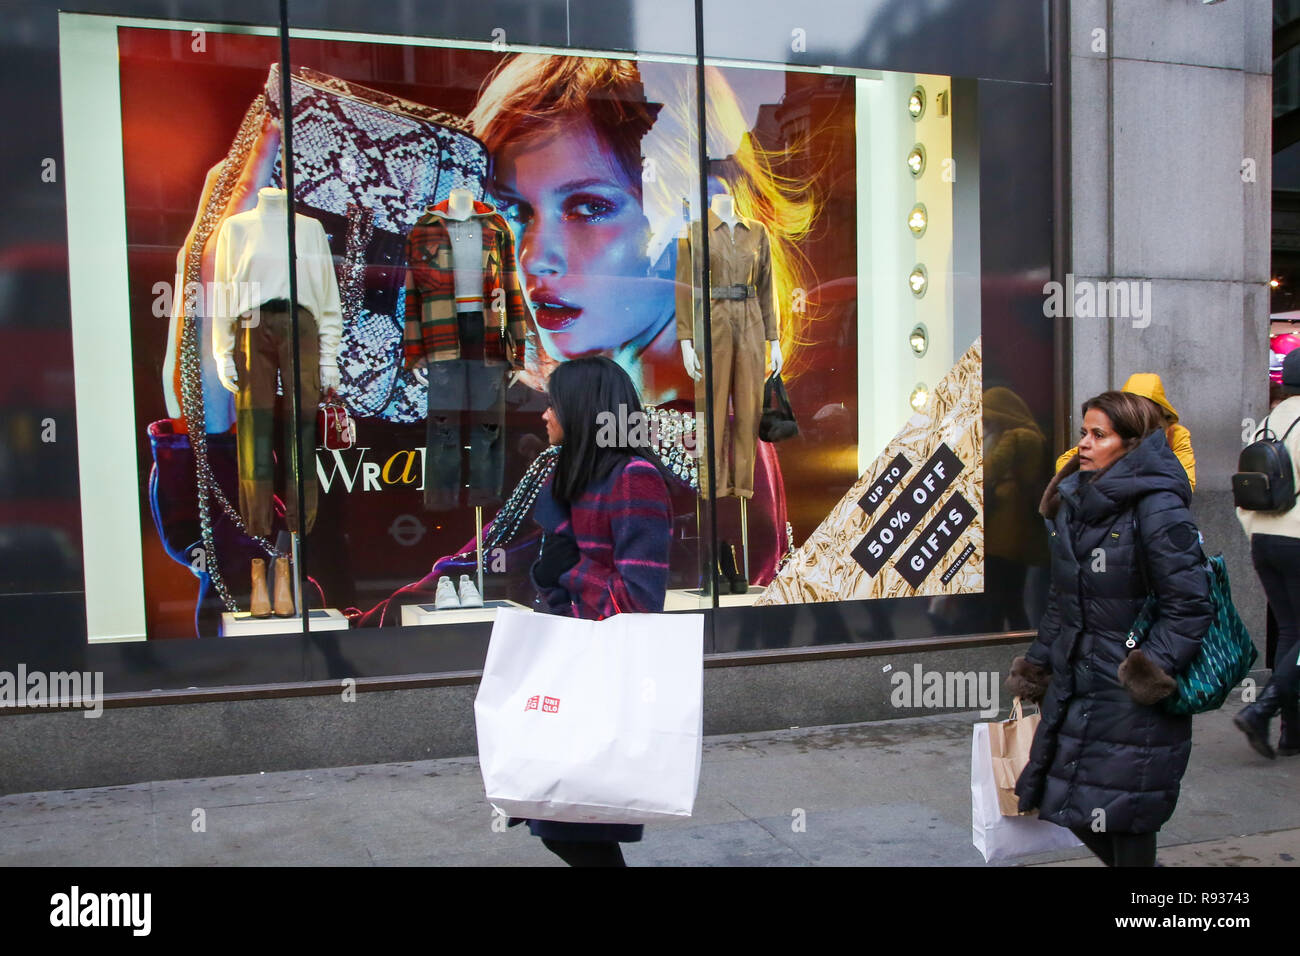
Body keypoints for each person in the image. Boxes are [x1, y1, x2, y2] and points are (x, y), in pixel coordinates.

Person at [1007, 391, 1211, 867]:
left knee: (1127, 811)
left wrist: (1148, 668)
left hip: (1129, 686)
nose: (1085, 443)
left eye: (1099, 434)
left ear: (1132, 442)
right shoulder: (1074, 500)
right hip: (1078, 679)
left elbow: (1189, 604)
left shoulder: (1158, 505)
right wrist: (1038, 663)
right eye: (1083, 432)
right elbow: (1062, 598)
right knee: (1064, 798)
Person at [522, 356, 674, 866]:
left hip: (609, 678)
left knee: (574, 826)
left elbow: (639, 600)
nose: (545, 416)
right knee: (564, 821)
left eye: (553, 404)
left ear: (583, 410)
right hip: (573, 671)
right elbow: (559, 575)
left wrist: (570, 570)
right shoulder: (575, 475)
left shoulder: (634, 478)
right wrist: (556, 574)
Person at [1233, 349, 1300, 758]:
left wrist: (1257, 530)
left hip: (1264, 540)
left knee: (1291, 632)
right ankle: (1263, 709)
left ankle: (1292, 734)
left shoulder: (1266, 423)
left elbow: (1245, 488)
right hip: (1298, 539)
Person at [1055, 372, 1196, 491]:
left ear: (1156, 410)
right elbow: (1065, 463)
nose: (1137, 412)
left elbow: (1186, 482)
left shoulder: (1174, 434)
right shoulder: (1115, 428)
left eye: (1142, 406)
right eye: (1131, 406)